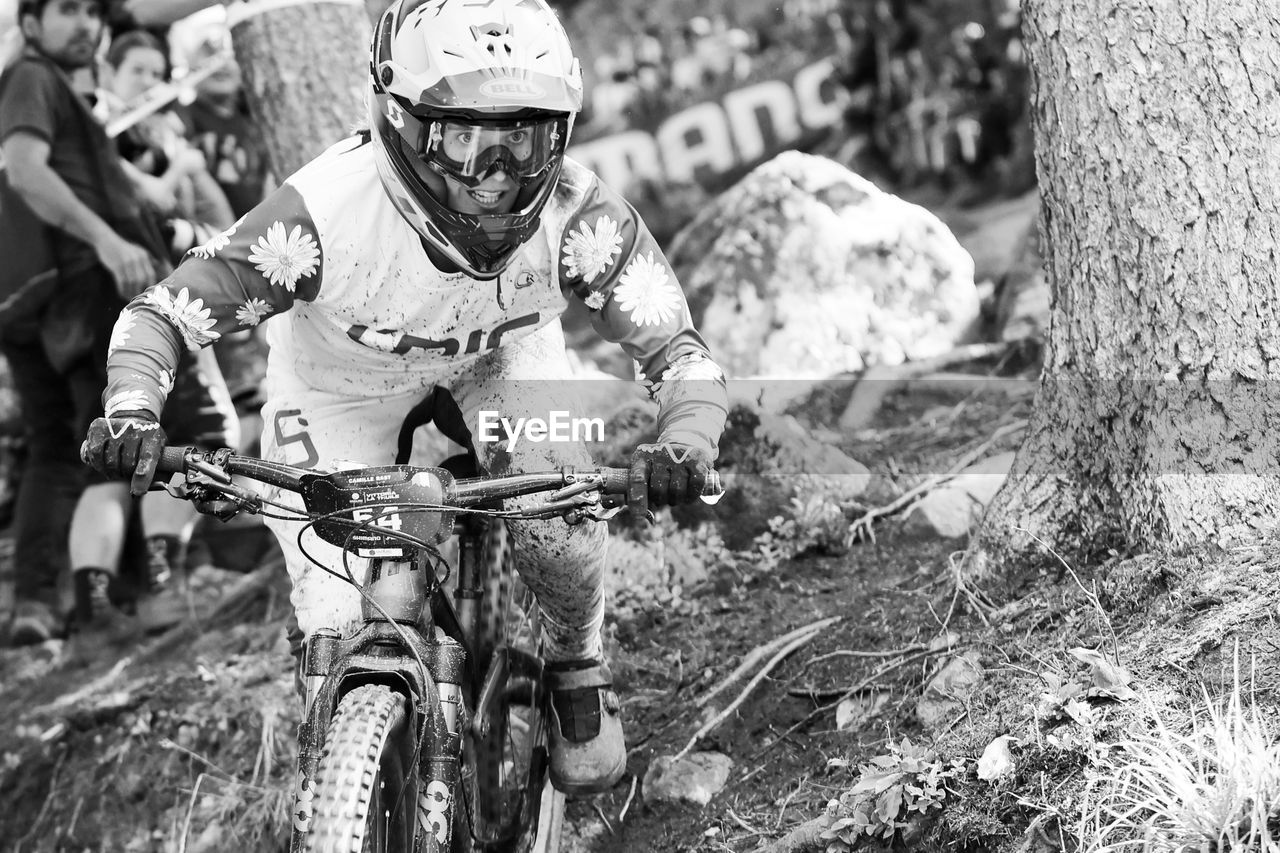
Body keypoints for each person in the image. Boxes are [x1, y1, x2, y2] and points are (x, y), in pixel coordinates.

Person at [83, 0, 727, 798]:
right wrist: (133, 409)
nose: (495, 176)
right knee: (336, 630)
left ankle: (577, 660)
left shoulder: (577, 215)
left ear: (560, 132)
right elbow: (167, 313)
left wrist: (687, 440)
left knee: (560, 523)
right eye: (464, 138)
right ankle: (350, 794)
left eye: (523, 139)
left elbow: (678, 350)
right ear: (398, 119)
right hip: (336, 394)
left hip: (500, 362)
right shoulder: (322, 213)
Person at [0, 0, 162, 644]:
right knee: (117, 431)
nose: (86, 24)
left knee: (53, 448)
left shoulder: (58, 91)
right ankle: (115, 599)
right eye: (66, 10)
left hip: (33, 294)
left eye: (93, 12)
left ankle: (39, 604)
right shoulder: (33, 78)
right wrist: (107, 241)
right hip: (77, 286)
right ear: (31, 25)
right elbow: (24, 169)